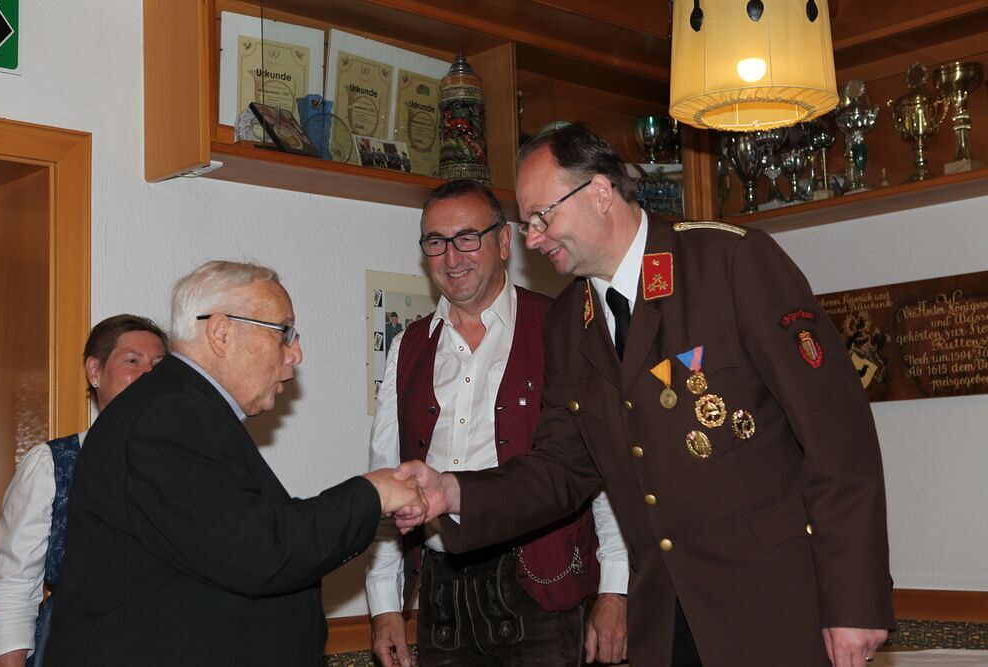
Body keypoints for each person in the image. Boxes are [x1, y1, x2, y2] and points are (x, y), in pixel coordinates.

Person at [397, 124, 896, 667]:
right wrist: (454, 492)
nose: (533, 239)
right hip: (664, 622)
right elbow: (559, 470)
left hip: (776, 607)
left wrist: (855, 601)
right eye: (528, 222)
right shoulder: (568, 323)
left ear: (600, 192)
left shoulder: (727, 263)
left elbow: (836, 436)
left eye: (543, 217)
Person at [43, 261, 426, 666]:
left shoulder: (177, 407)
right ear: (221, 332)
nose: (295, 354)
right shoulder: (170, 415)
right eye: (284, 332)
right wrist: (373, 493)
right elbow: (262, 551)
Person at [368, 180, 628, 667]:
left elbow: (600, 466)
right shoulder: (408, 346)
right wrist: (385, 603)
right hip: (441, 592)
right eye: (436, 242)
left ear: (504, 242)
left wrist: (616, 588)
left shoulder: (561, 328)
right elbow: (389, 479)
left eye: (467, 237)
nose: (452, 257)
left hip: (542, 586)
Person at [0, 315, 169, 667]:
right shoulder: (53, 465)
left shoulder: (191, 465)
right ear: (95, 371)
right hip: (74, 647)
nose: (149, 374)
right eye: (133, 361)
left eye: (159, 366)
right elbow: (15, 587)